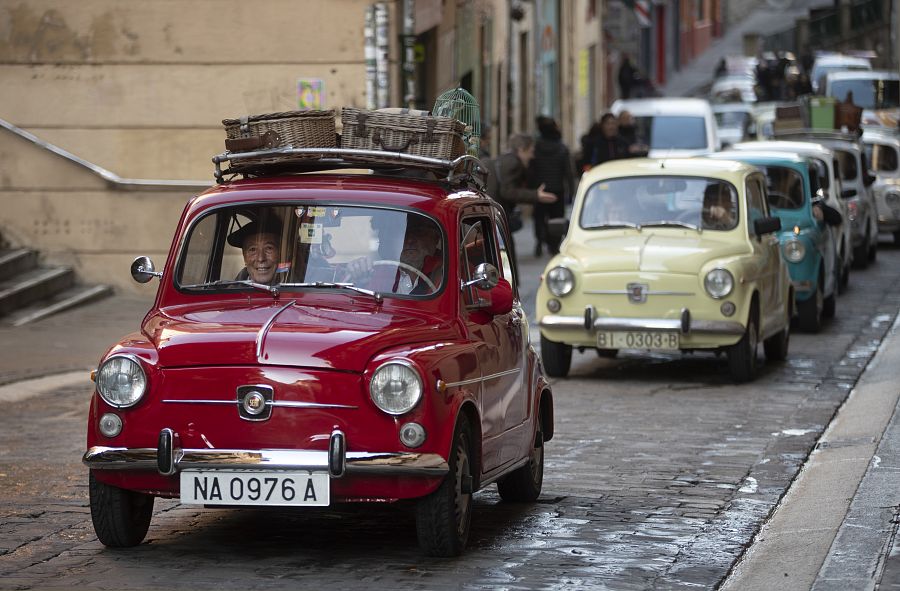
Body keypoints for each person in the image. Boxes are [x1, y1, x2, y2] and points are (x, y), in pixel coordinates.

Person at [487, 133, 558, 258]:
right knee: (506, 255)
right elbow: (508, 191)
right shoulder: (514, 163)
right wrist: (535, 195)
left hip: (492, 213)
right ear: (521, 149)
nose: (532, 156)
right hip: (495, 215)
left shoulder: (505, 159)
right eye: (530, 151)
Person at [529, 116, 575, 256]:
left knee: (539, 217)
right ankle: (553, 245)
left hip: (540, 189)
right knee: (556, 218)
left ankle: (539, 241)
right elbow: (569, 172)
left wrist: (531, 187)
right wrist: (571, 191)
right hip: (557, 190)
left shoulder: (536, 148)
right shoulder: (562, 148)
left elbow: (531, 168)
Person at [227, 217, 283, 284]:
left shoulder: (295, 287)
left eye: (269, 248)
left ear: (281, 253)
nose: (260, 258)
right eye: (253, 249)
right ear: (244, 257)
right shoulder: (234, 291)